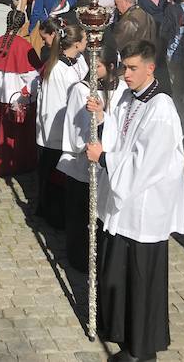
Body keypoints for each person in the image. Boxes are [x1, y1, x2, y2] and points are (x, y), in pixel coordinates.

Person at [85, 40, 184, 362]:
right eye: (123, 67)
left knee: (140, 282)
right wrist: (103, 118)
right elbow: (122, 136)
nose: (125, 75)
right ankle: (120, 331)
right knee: (118, 274)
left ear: (150, 68)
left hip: (144, 208)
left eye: (132, 69)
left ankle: (142, 349)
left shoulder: (161, 109)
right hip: (122, 204)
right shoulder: (129, 97)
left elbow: (145, 163)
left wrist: (103, 159)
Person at [60, 49, 127, 272]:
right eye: (90, 65)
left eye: (97, 67)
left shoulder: (124, 90)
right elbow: (73, 124)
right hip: (83, 162)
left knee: (101, 215)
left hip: (109, 162)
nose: (92, 71)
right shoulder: (81, 89)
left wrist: (103, 120)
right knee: (80, 214)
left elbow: (122, 126)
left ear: (110, 66)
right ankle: (78, 257)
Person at [33, 22, 88, 227]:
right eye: (84, 38)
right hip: (56, 128)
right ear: (75, 43)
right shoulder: (58, 69)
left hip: (69, 125)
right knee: (52, 176)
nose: (87, 41)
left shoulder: (76, 60)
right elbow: (57, 103)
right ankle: (50, 213)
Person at [0, 9, 40, 178]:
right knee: (21, 136)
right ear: (23, 24)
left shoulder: (0, 41)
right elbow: (33, 74)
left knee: (4, 132)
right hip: (19, 97)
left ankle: (4, 165)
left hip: (3, 95)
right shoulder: (23, 45)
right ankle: (20, 165)